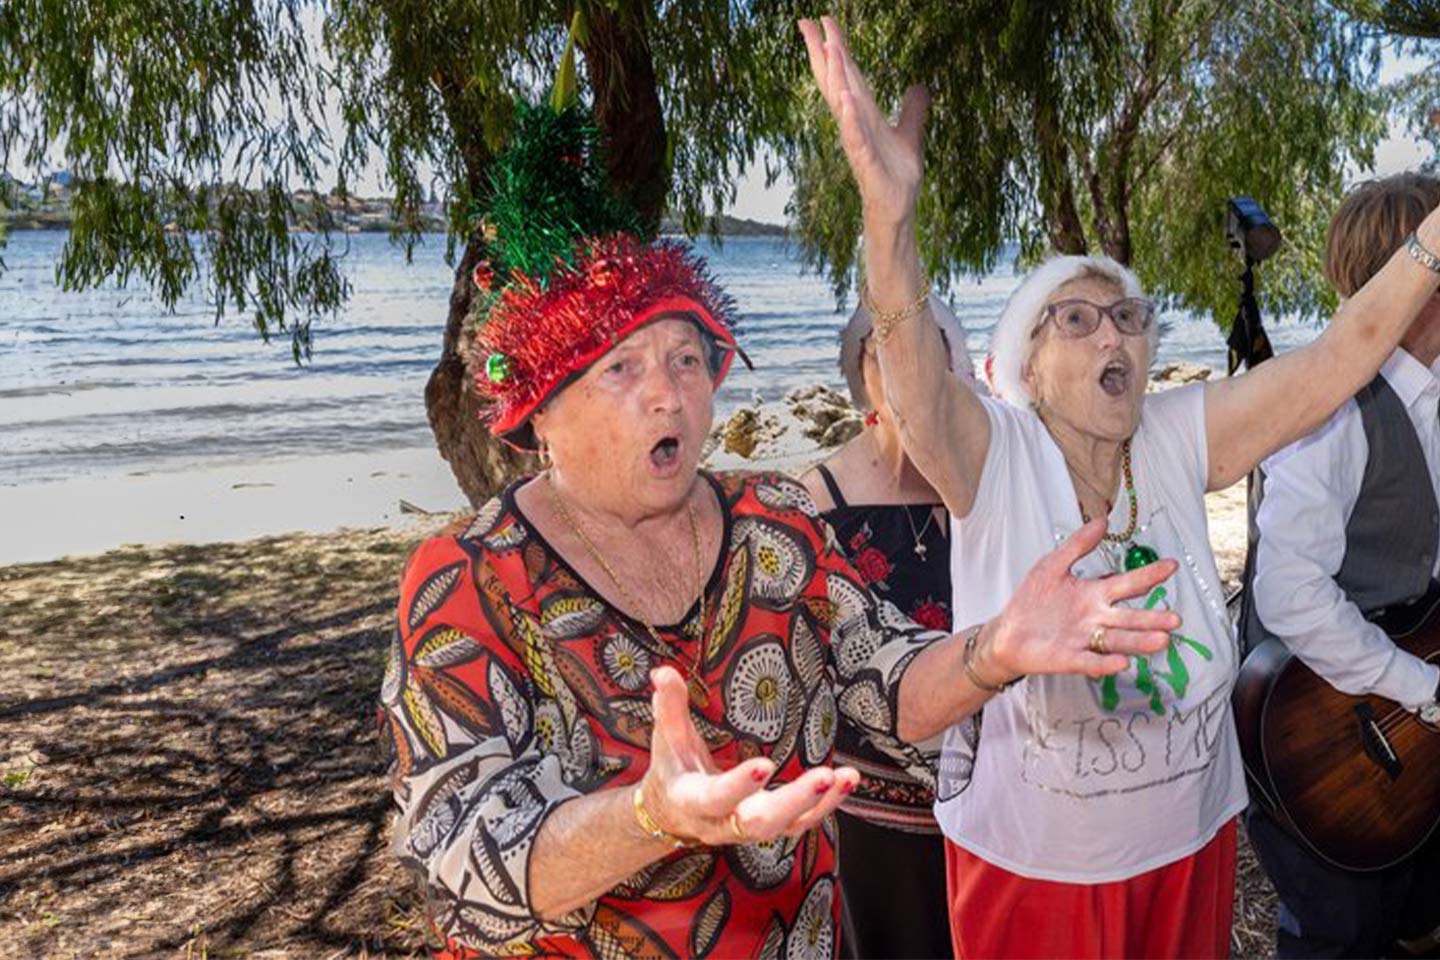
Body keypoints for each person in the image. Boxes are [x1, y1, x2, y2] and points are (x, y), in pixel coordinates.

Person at [380, 97, 1182, 959]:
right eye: (622, 367)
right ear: (541, 416)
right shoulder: (470, 580)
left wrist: (995, 651)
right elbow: (463, 848)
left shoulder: (776, 522)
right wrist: (652, 816)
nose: (670, 392)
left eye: (687, 359)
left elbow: (884, 679)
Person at [799, 14, 1440, 958]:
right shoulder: (994, 451)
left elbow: (1345, 352)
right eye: (1077, 319)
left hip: (1190, 839)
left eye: (1129, 317)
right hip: (1038, 865)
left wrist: (1432, 239)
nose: (1113, 336)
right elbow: (912, 381)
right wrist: (888, 219)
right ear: (1025, 362)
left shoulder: (1181, 433)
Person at [1244, 173, 1440, 958]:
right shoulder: (1326, 411)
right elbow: (1288, 593)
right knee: (1342, 940)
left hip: (1410, 738)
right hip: (1323, 744)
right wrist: (1421, 688)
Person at [800, 297, 977, 959]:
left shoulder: (984, 484)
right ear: (858, 370)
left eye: (925, 344)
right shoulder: (817, 500)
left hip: (987, 808)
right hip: (872, 820)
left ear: (952, 362)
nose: (904, 364)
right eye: (882, 349)